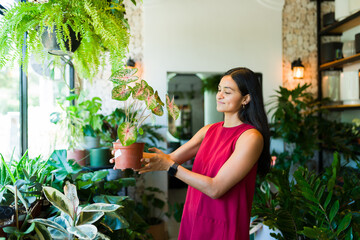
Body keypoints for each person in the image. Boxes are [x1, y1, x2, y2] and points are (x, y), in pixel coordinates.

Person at [137, 67, 271, 240]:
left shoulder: (250, 137)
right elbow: (169, 158)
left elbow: (216, 188)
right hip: (194, 216)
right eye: (219, 89)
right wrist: (123, 155)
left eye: (227, 92)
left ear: (246, 98)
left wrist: (171, 168)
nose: (219, 95)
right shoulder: (209, 130)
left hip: (224, 225)